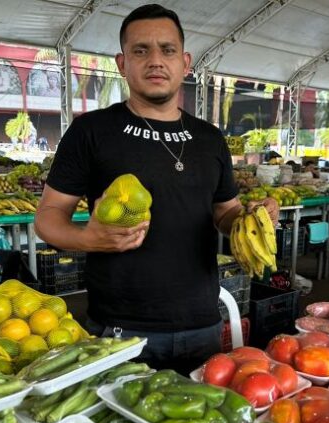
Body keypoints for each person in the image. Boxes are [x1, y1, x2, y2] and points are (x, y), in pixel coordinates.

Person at [35, 3, 279, 373]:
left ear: (185, 62)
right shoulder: (92, 132)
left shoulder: (210, 139)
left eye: (166, 50)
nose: (155, 61)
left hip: (202, 324)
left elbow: (224, 213)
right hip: (121, 331)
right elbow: (48, 217)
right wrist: (90, 238)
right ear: (122, 63)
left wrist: (253, 218)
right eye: (140, 50)